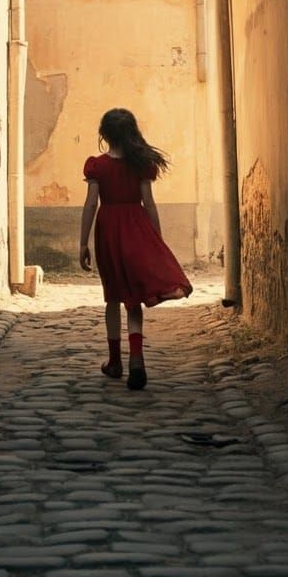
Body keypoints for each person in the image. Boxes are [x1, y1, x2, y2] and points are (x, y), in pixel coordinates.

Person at [79, 108, 193, 390]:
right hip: (137, 227)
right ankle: (137, 358)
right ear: (132, 132)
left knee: (113, 296)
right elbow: (149, 203)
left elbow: (92, 204)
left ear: (104, 135)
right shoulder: (140, 165)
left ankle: (115, 360)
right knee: (133, 298)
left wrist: (83, 241)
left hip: (108, 231)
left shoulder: (97, 166)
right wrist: (157, 238)